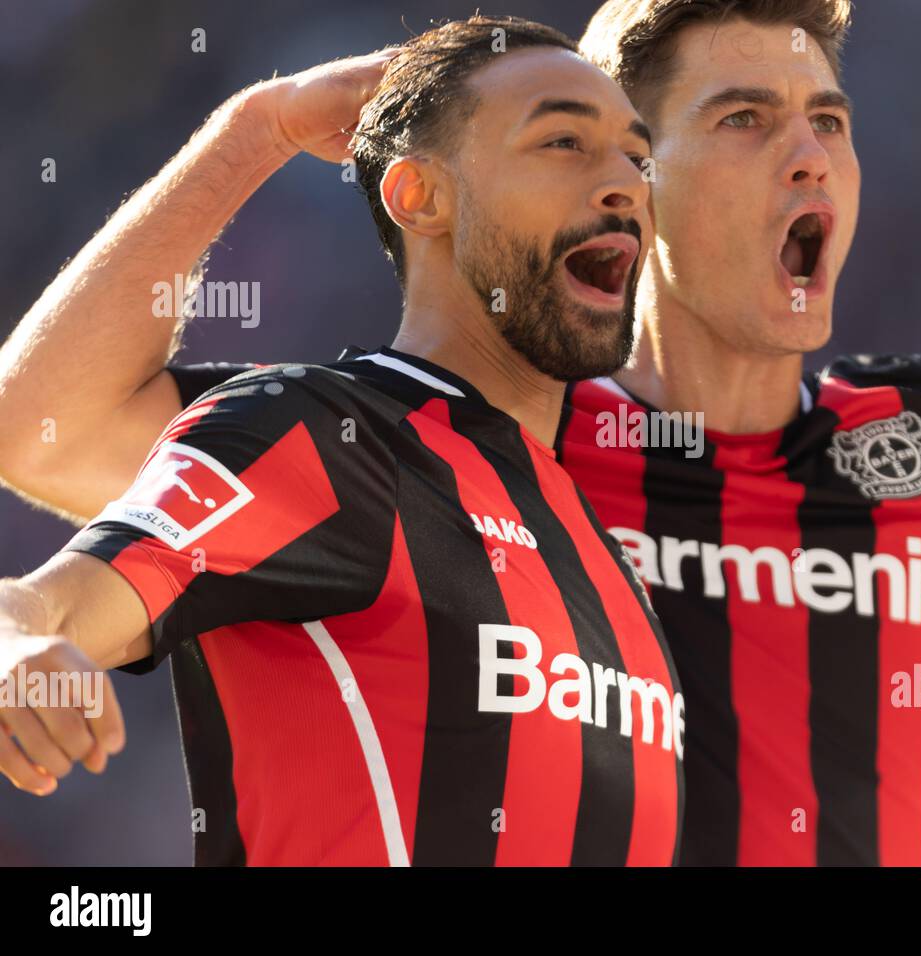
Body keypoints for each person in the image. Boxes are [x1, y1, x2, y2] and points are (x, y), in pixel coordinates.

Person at [5, 1, 921, 866]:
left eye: (829, 123)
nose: (810, 157)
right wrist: (253, 135)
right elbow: (48, 432)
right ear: (635, 189)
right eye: (744, 119)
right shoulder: (471, 443)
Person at [0, 16, 685, 867]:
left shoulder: (606, 542)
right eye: (563, 143)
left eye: (635, 154)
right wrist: (259, 131)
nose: (624, 181)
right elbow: (40, 560)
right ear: (419, 197)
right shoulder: (323, 434)